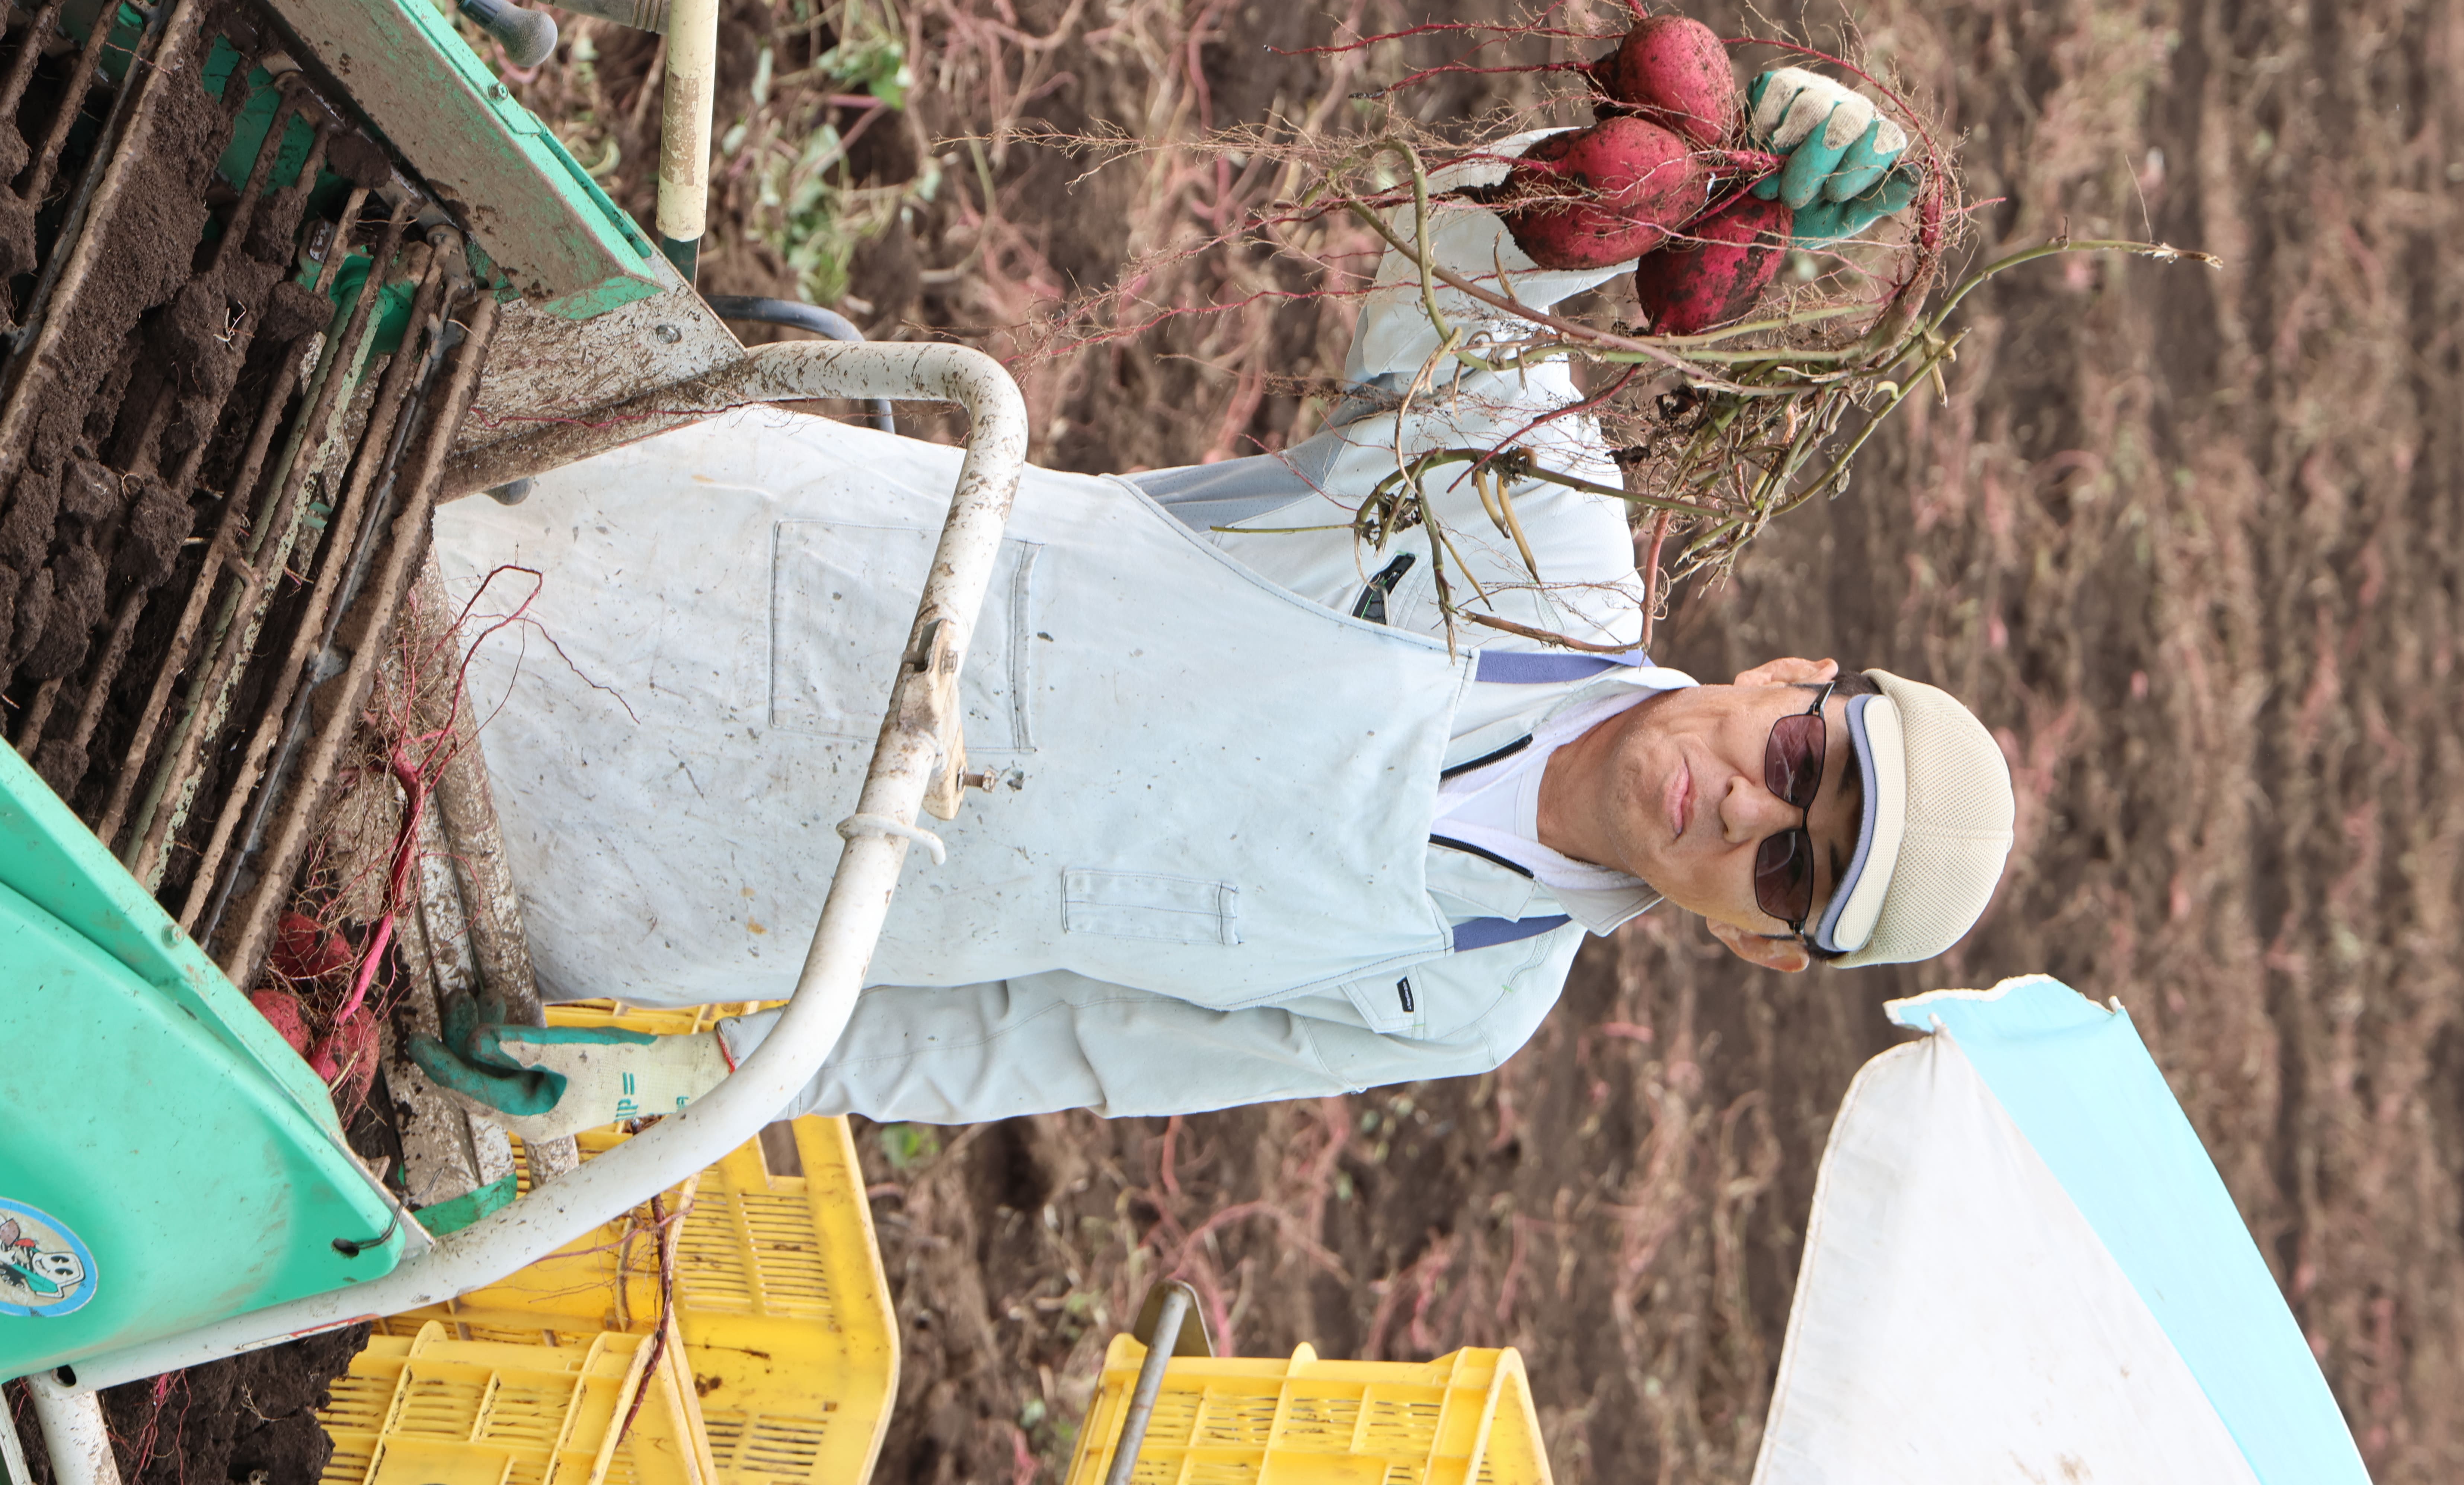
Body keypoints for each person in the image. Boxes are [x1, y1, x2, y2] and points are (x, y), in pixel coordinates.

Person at [423, 69, 2015, 1129]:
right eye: (1801, 764)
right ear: (1792, 674)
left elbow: (1034, 1039)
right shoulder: (1540, 539)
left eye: (1791, 867)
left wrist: (673, 1082)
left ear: (1762, 949)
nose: (1747, 808)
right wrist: (1667, 176)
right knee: (372, 525)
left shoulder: (1466, 994)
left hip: (672, 874)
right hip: (732, 569)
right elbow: (1459, 280)